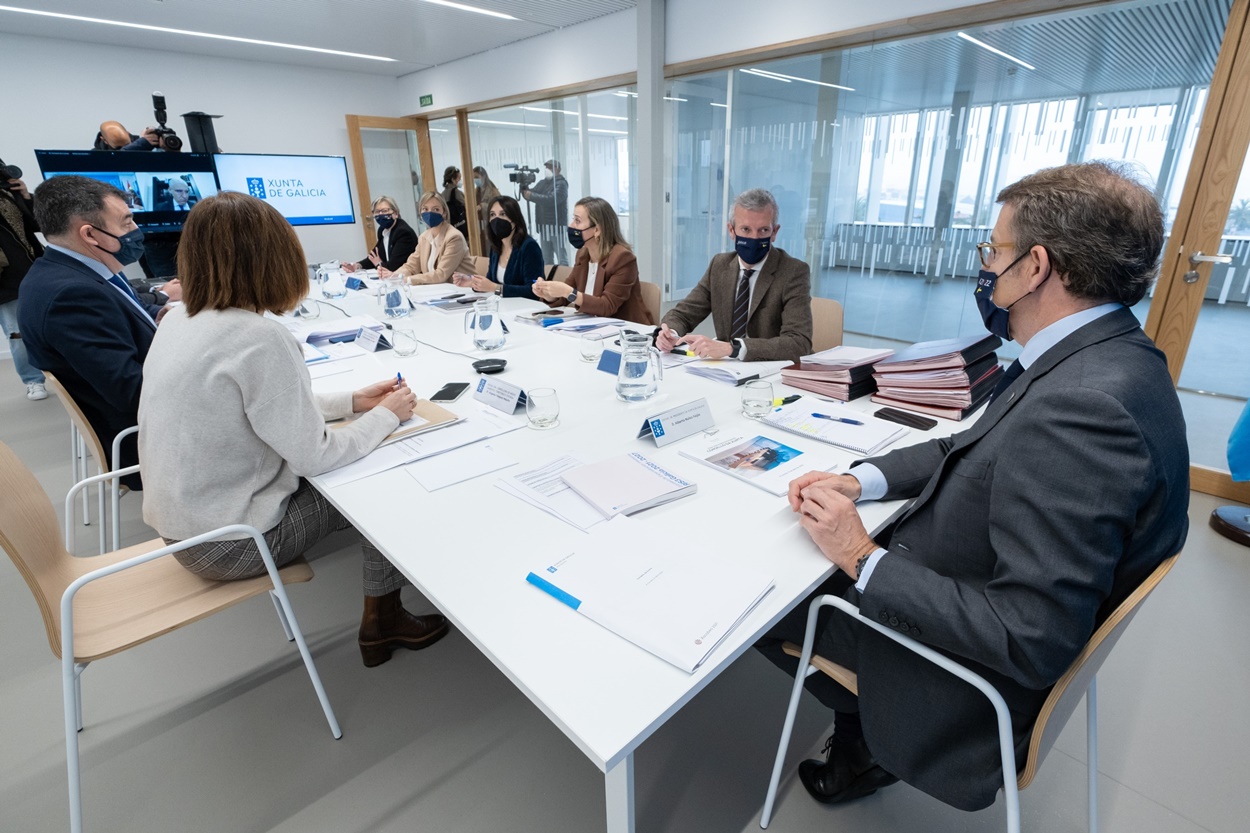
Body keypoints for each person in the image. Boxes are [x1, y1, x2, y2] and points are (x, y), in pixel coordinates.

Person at [755, 161, 1189, 812]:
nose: (987, 265)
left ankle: (866, 744)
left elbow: (1030, 637)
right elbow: (965, 445)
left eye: (994, 250)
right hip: (962, 567)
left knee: (763, 596)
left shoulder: (1084, 412)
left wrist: (860, 557)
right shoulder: (1103, 354)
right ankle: (860, 735)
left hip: (962, 675)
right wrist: (859, 478)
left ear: (1036, 266)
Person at [138, 190, 449, 668]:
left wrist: (353, 401)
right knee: (377, 480)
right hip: (232, 544)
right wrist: (388, 415)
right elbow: (317, 456)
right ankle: (383, 620)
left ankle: (384, 611)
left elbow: (254, 408)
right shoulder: (259, 338)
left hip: (182, 527)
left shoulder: (178, 319)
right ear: (275, 259)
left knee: (355, 450)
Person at [17, 175, 168, 483]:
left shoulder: (76, 269)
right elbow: (133, 391)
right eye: (126, 222)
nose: (136, 230)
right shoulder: (71, 296)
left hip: (143, 415)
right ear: (90, 234)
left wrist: (162, 313)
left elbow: (126, 309)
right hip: (145, 440)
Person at [657, 188, 812, 363]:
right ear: (731, 230)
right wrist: (670, 333)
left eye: (763, 230)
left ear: (774, 232)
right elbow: (683, 314)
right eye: (746, 229)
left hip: (772, 372)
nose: (754, 238)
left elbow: (799, 343)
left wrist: (734, 348)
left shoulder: (793, 272)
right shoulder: (720, 265)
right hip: (727, 371)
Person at [532, 196, 655, 325]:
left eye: (577, 221)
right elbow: (566, 295)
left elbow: (606, 306)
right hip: (593, 328)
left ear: (597, 230)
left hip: (625, 332)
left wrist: (567, 292)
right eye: (573, 219)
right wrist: (548, 293)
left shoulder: (623, 258)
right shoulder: (583, 255)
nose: (571, 225)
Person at [0, 166, 48, 400]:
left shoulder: (9, 193)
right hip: (5, 279)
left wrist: (26, 197)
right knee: (17, 333)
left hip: (37, 269)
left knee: (52, 323)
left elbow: (40, 225)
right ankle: (33, 380)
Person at [379, 192, 477, 285]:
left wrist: (407, 280)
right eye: (425, 209)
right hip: (439, 292)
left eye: (436, 209)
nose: (430, 213)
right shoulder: (424, 237)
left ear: (444, 213)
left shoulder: (454, 237)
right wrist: (394, 276)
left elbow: (441, 274)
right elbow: (411, 266)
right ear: (420, 213)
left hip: (462, 292)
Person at [456, 196, 543, 300]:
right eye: (492, 215)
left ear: (515, 218)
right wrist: (472, 282)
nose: (497, 219)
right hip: (502, 307)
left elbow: (533, 290)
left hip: (524, 310)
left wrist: (496, 288)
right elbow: (489, 282)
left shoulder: (529, 246)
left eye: (503, 214)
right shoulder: (496, 247)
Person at [342, 196, 418, 273]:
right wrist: (357, 266)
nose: (381, 214)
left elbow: (393, 267)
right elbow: (374, 256)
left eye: (385, 211)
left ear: (396, 213)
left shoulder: (403, 232)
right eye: (377, 212)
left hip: (407, 277)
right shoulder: (383, 230)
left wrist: (378, 264)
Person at [521, 159, 569, 266]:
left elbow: (552, 199)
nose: (548, 170)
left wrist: (531, 196)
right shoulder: (543, 183)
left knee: (562, 259)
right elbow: (530, 194)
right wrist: (523, 186)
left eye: (550, 167)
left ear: (558, 169)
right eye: (546, 167)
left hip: (557, 227)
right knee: (546, 258)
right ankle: (550, 280)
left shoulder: (562, 184)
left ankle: (564, 280)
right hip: (544, 226)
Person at [92, 120, 172, 152]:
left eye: (127, 145)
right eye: (118, 148)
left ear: (128, 133)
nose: (123, 148)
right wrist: (140, 145)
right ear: (104, 140)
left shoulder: (145, 141)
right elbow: (115, 162)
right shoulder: (94, 155)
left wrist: (167, 147)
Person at [473, 166, 501, 250]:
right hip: (479, 226)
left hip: (491, 225)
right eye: (473, 178)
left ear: (484, 177)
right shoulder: (476, 190)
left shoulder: (493, 191)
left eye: (477, 177)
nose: (475, 180)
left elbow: (498, 207)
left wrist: (482, 206)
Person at [441, 165, 469, 239]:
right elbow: (468, 207)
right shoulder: (458, 193)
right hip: (461, 228)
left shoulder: (441, 195)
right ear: (453, 179)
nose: (460, 180)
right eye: (459, 178)